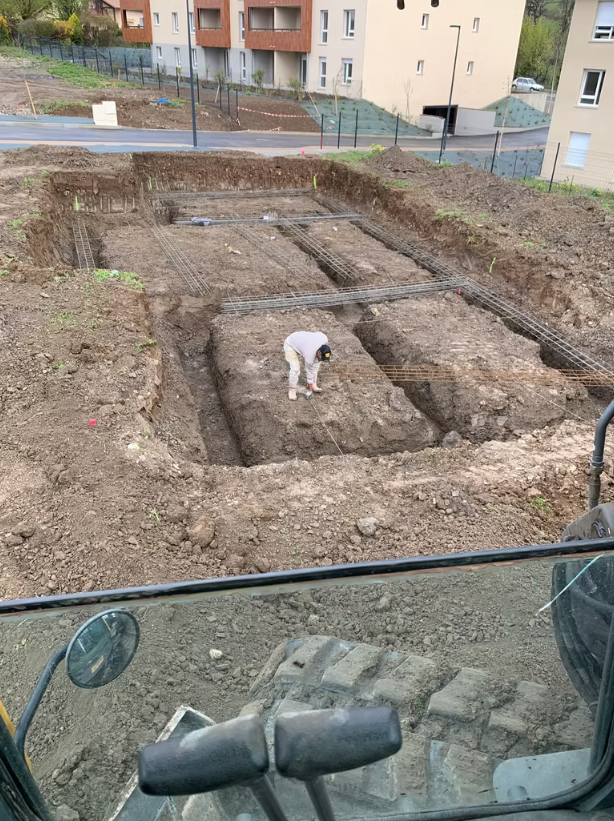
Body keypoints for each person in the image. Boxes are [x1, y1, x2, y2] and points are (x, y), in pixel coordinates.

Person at [283, 331, 332, 401]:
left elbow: (318, 333)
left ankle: (314, 384)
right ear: (319, 353)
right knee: (295, 369)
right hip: (290, 344)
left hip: (301, 339)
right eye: (322, 358)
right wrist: (309, 388)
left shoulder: (324, 338)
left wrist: (312, 384)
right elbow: (309, 371)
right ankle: (292, 390)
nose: (322, 360)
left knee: (316, 364)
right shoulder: (310, 355)